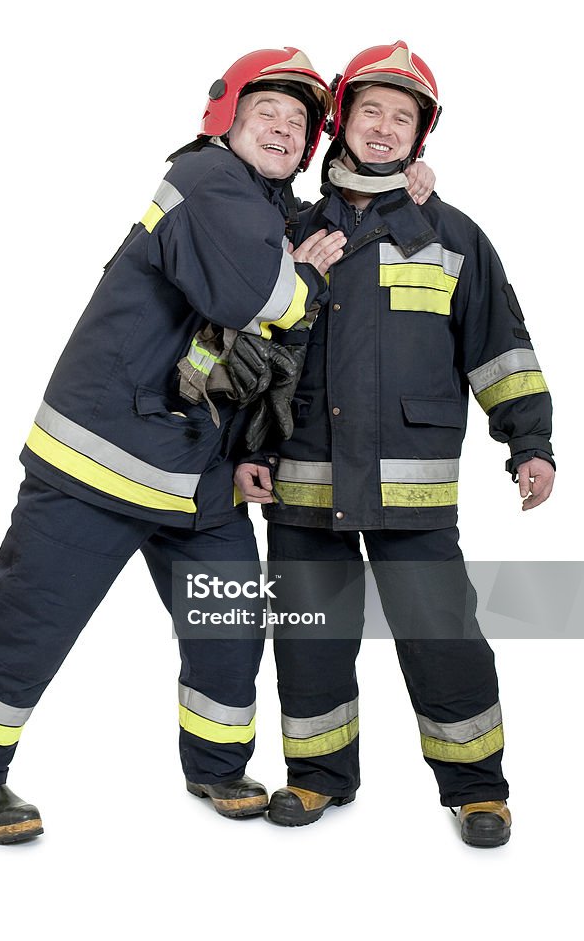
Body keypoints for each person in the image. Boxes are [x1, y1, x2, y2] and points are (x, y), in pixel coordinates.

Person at [0, 46, 350, 843]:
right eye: (268, 112)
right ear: (225, 117)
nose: (284, 128)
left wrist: (415, 183)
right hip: (102, 460)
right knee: (33, 617)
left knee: (227, 625)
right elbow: (256, 295)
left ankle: (217, 768)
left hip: (198, 477)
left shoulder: (266, 209)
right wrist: (305, 283)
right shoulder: (205, 181)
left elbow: (340, 224)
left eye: (299, 122)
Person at [235, 41, 555, 846]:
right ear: (340, 121)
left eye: (402, 117)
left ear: (421, 137)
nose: (383, 129)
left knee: (442, 639)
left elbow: (498, 345)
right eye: (370, 111)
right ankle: (314, 778)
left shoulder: (452, 236)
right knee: (310, 640)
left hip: (411, 493)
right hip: (302, 482)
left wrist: (529, 442)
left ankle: (476, 789)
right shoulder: (286, 231)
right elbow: (251, 355)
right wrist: (248, 450)